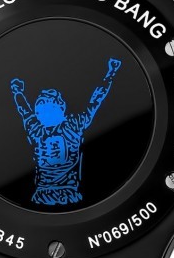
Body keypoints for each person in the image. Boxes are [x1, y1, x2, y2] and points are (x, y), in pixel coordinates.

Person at [10, 57, 121, 206]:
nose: (43, 112)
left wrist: (17, 92)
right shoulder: (45, 129)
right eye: (40, 109)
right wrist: (110, 74)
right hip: (47, 192)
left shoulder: (68, 126)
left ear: (61, 109)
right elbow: (95, 100)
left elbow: (96, 100)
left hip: (63, 192)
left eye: (48, 107)